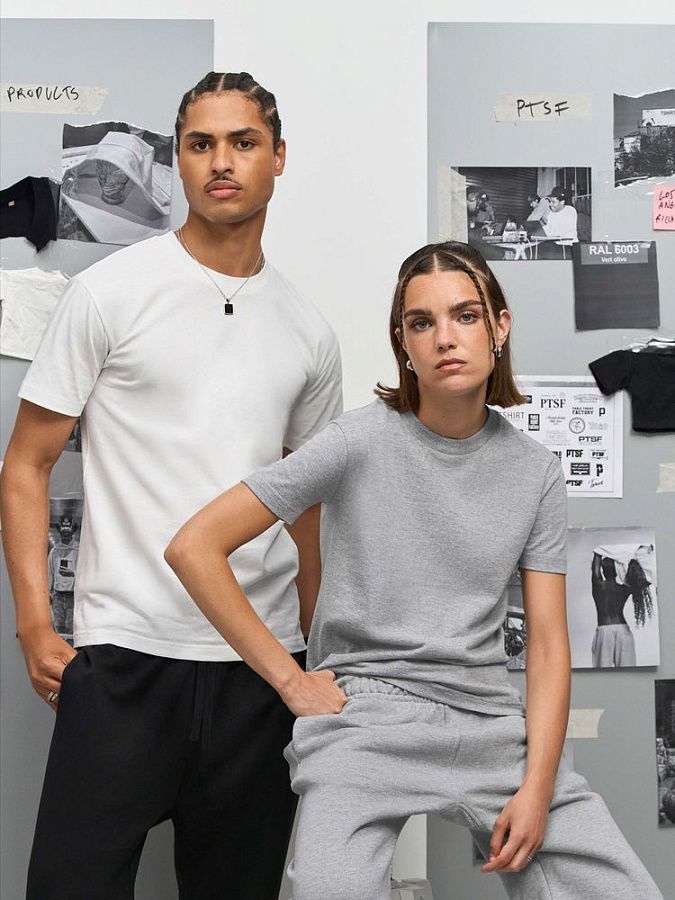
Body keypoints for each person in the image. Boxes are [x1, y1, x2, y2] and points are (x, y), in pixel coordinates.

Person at [166, 241, 663, 899]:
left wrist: (538, 787)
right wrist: (291, 681)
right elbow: (194, 546)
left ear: (499, 326)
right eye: (421, 322)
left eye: (464, 316)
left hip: (489, 723)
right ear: (402, 342)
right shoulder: (357, 440)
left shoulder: (535, 471)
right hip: (367, 715)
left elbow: (547, 644)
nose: (444, 338)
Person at [0, 71, 342, 900]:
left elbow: (306, 509)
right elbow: (26, 464)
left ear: (278, 157)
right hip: (124, 656)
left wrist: (314, 650)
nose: (221, 162)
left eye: (243, 142)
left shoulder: (308, 332)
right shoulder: (108, 293)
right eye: (200, 144)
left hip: (260, 670)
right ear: (178, 161)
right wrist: (36, 625)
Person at [590, 545, 656, 668]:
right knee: (628, 671)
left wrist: (600, 550)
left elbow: (596, 560)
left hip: (604, 630)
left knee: (602, 673)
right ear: (617, 569)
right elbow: (645, 580)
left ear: (602, 569)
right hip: (623, 630)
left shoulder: (597, 585)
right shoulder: (624, 588)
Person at [47, 515, 79, 640]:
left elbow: (85, 573)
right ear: (59, 531)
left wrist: (73, 574)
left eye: (68, 533)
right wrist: (49, 594)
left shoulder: (79, 551)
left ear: (72, 531)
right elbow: (50, 573)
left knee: (72, 627)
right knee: (58, 627)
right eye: (63, 533)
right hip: (58, 596)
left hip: (73, 595)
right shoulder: (54, 551)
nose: (65, 535)